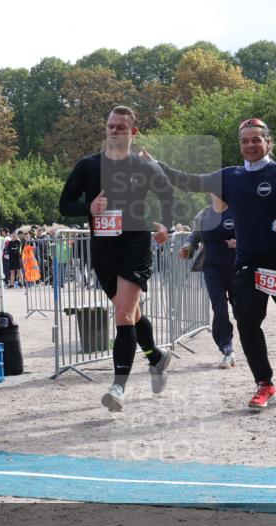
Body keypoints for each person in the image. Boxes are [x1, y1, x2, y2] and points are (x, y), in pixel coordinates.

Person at [144, 117, 276, 409]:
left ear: (268, 143)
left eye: (256, 139)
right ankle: (264, 384)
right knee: (247, 323)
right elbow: (188, 181)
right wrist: (158, 166)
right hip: (248, 265)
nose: (250, 145)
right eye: (245, 141)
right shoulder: (230, 176)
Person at [58, 105, 174, 412]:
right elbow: (65, 203)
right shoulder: (88, 166)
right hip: (103, 250)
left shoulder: (144, 167)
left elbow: (167, 197)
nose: (114, 130)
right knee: (131, 313)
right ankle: (156, 358)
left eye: (121, 127)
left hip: (136, 244)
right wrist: (89, 208)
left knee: (123, 313)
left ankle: (118, 387)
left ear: (133, 132)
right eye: (110, 126)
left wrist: (166, 225)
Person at [181, 194, 237, 368]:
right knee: (219, 308)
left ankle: (252, 349)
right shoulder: (203, 215)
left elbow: (252, 233)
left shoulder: (237, 210)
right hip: (212, 267)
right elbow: (194, 237)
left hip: (237, 266)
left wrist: (239, 243)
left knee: (243, 311)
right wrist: (188, 247)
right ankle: (227, 349)